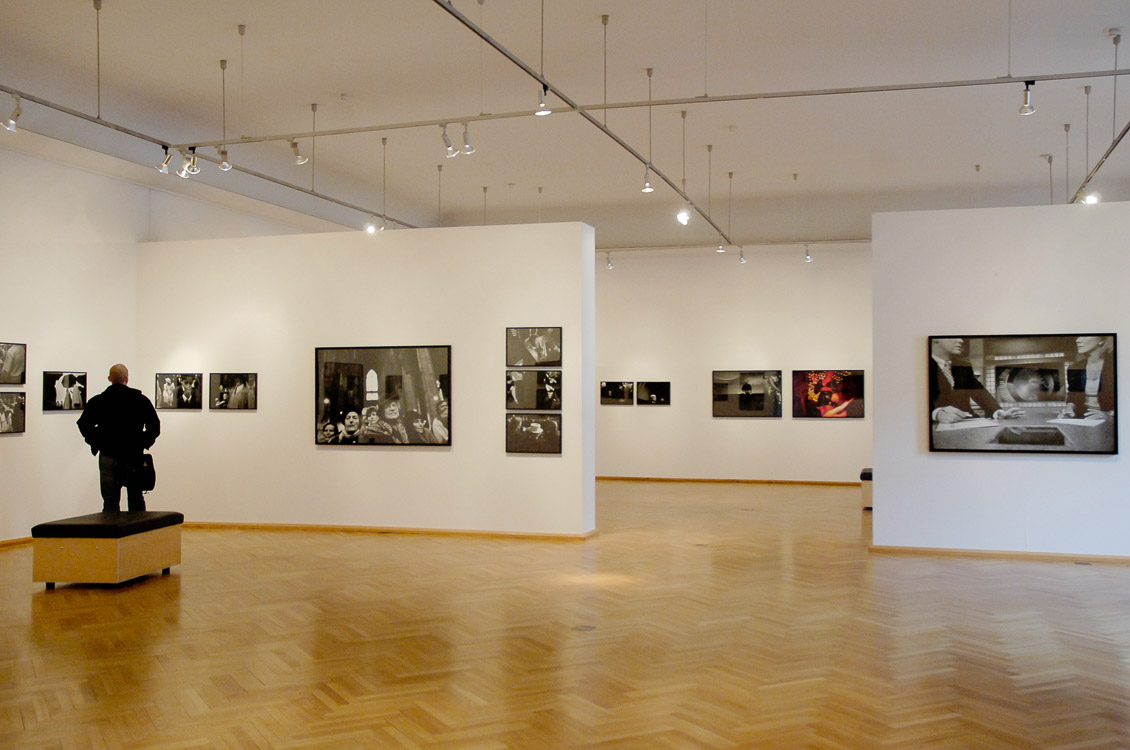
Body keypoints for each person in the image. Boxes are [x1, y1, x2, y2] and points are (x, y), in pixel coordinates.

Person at [76, 364, 161, 512]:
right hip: (133, 455)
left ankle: (112, 533)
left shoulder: (99, 401)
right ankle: (138, 534)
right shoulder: (140, 400)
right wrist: (142, 442)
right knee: (136, 498)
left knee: (110, 501)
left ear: (109, 378)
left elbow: (84, 425)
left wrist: (97, 441)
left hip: (108, 454)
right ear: (127, 379)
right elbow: (155, 427)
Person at [929, 338, 1023, 423]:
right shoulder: (920, 364)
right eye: (954, 336)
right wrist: (936, 414)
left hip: (965, 423)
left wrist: (998, 412)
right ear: (935, 339)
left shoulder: (962, 365)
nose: (961, 340)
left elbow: (979, 392)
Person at [1060, 335, 1115, 419]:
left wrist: (1109, 415)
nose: (1078, 340)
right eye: (1077, 337)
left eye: (1085, 336)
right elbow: (1073, 396)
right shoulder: (1075, 367)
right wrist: (1069, 409)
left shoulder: (1116, 364)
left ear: (1101, 341)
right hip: (1084, 418)